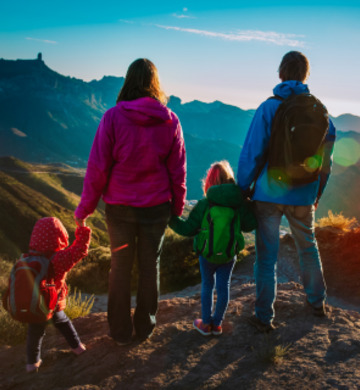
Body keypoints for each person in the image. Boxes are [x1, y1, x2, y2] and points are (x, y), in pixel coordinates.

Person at [75, 58, 187, 345]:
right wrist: (176, 207)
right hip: (156, 209)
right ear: (155, 84)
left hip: (121, 209)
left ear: (128, 81)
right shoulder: (170, 120)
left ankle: (120, 331)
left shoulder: (112, 117)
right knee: (150, 266)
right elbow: (178, 171)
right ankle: (146, 327)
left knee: (120, 265)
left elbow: (98, 167)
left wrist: (84, 209)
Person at [237, 51, 336, 332]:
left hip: (268, 194)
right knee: (308, 247)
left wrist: (244, 188)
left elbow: (252, 153)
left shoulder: (269, 108)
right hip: (304, 194)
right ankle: (317, 302)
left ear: (281, 72)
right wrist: (316, 194)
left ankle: (264, 316)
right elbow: (326, 164)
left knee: (267, 256)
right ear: (306, 75)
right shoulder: (321, 112)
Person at [169, 161, 257, 336]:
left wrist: (169, 217)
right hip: (228, 254)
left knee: (207, 286)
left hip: (207, 254)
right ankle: (217, 325)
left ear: (209, 181)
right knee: (224, 286)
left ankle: (205, 323)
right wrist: (250, 203)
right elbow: (249, 226)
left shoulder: (205, 203)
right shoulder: (237, 203)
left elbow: (187, 229)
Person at [25, 217, 92, 373]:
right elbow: (80, 249)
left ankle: (32, 363)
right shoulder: (59, 259)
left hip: (34, 304)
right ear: (60, 236)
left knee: (35, 332)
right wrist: (82, 229)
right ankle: (77, 348)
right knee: (63, 322)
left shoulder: (28, 259)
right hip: (52, 302)